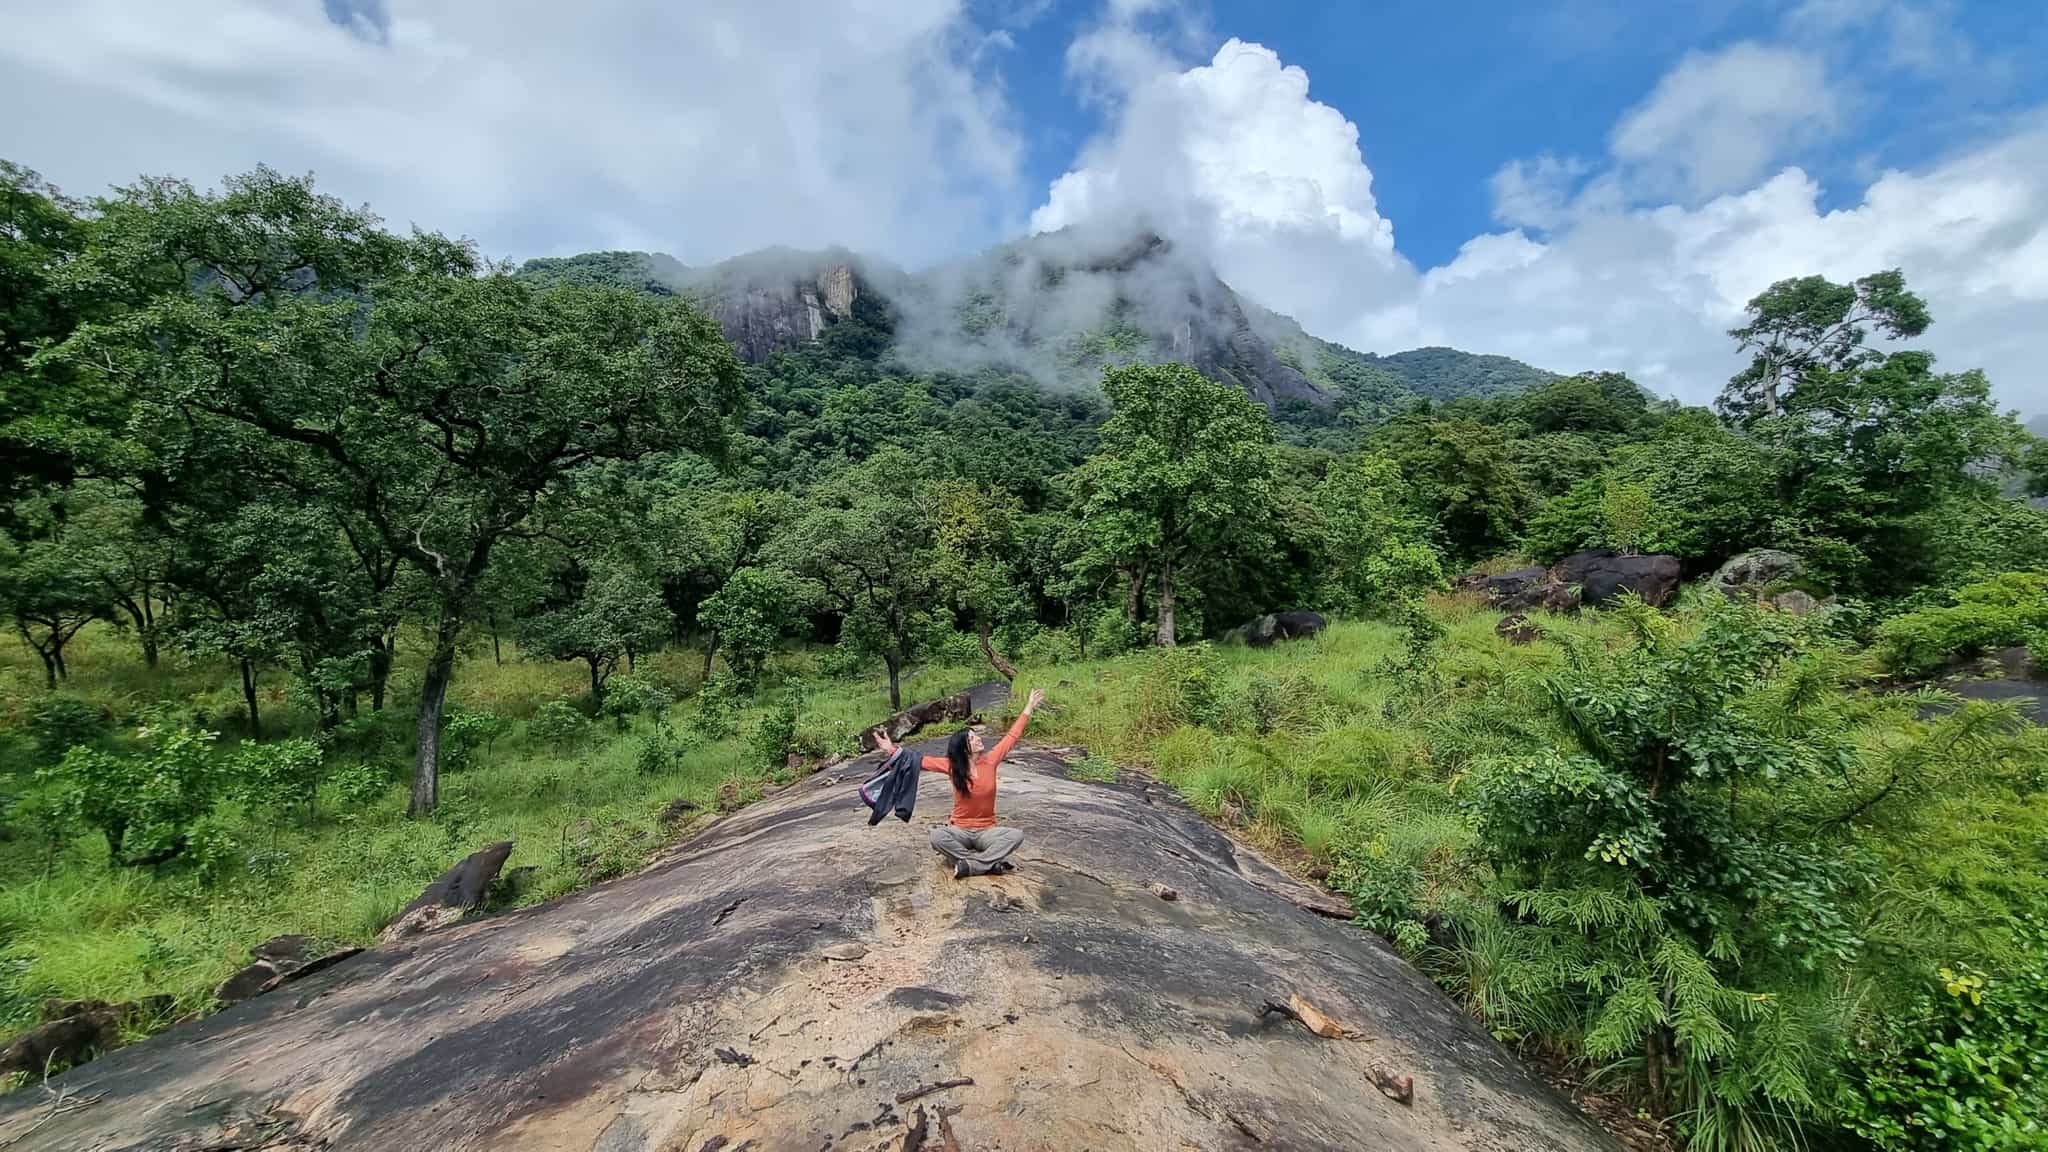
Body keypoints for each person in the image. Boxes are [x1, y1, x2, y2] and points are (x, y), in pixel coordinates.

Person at [876, 687, 1045, 878]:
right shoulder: (952, 766)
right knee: (937, 837)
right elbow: (917, 760)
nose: (978, 739)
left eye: (976, 735)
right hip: (960, 831)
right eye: (972, 738)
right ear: (964, 748)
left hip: (987, 831)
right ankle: (986, 864)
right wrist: (890, 749)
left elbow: (1011, 737)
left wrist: (1029, 707)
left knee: (1015, 836)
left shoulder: (990, 760)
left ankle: (970, 865)